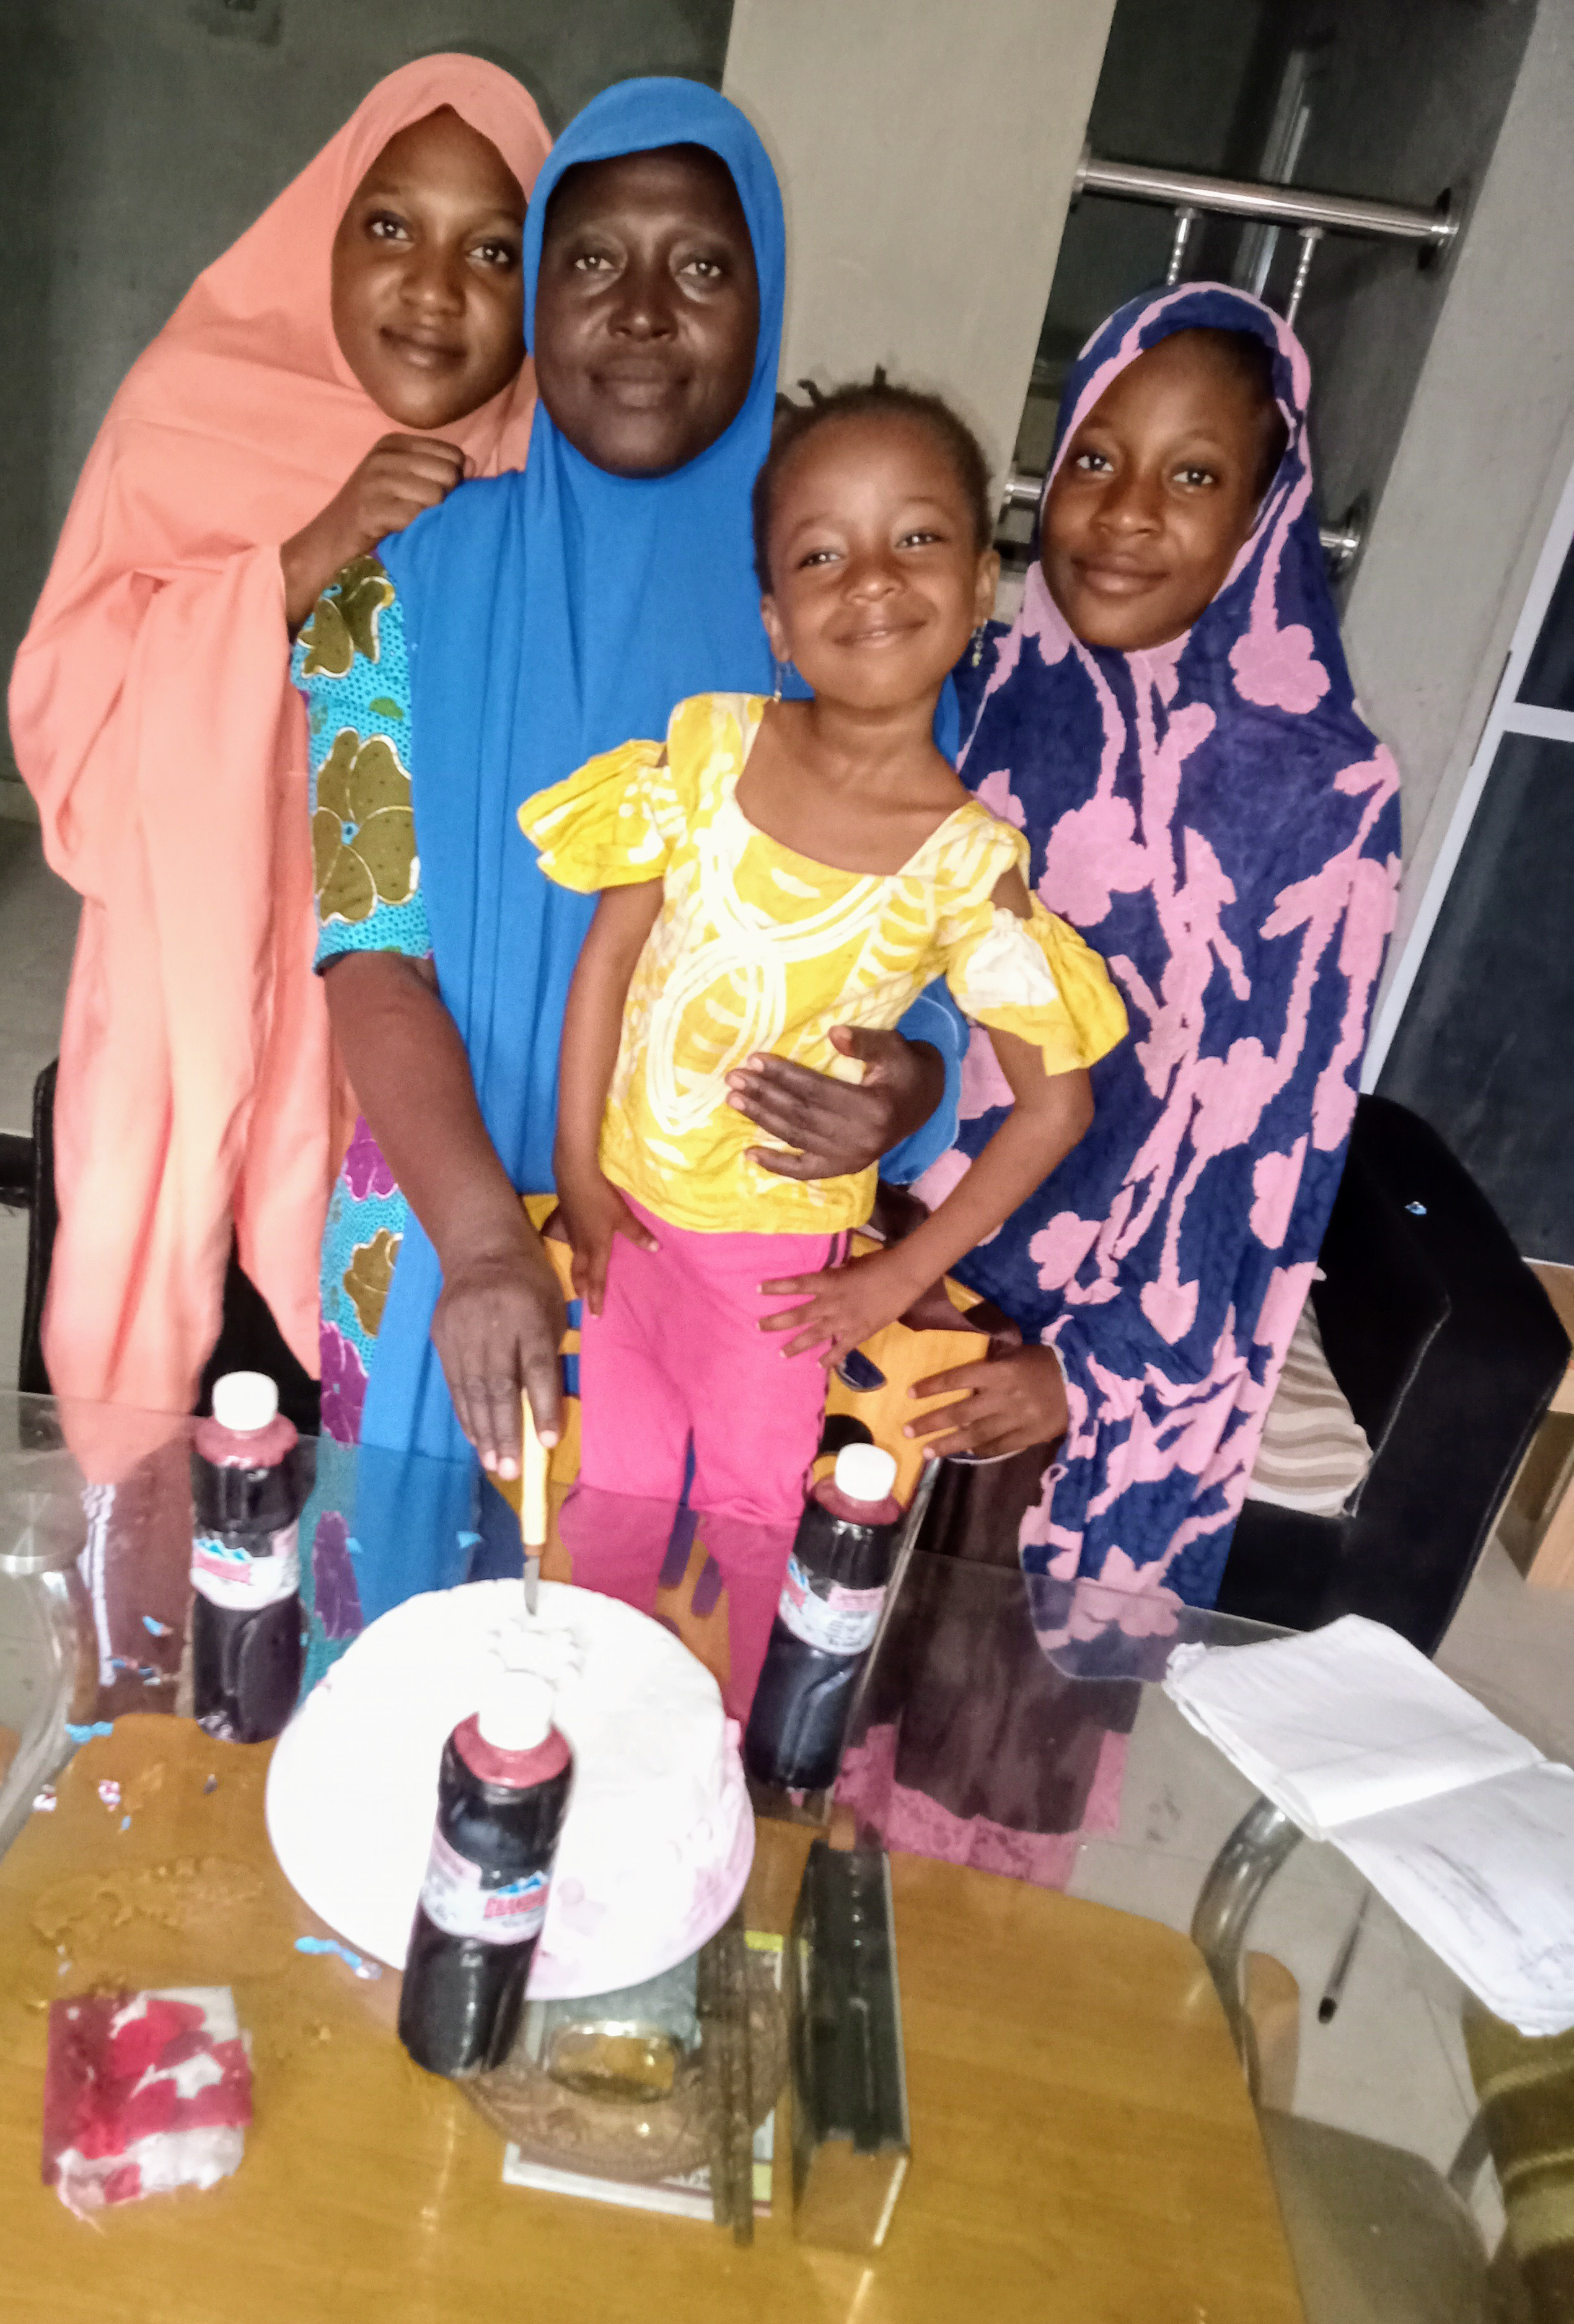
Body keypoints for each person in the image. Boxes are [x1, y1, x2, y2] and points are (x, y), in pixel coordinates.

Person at [291, 80, 969, 1501]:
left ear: (764, 304)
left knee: (671, 1616)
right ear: (537, 300)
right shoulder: (389, 595)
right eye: (594, 259)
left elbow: (926, 977)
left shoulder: (854, 625)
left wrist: (905, 1085)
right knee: (406, 1605)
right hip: (440, 1235)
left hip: (732, 1270)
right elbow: (371, 955)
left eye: (703, 268)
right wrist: (486, 1240)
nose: (645, 313)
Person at [838, 285, 1401, 1880]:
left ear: (1267, 512)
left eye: (1192, 475)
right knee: (810, 1671)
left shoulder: (1321, 790)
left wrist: (1088, 1383)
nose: (1127, 512)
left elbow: (1268, 1160)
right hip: (900, 1276)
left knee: (971, 1774)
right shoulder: (987, 697)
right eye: (1096, 458)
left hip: (1085, 1357)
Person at [9, 59, 550, 1465]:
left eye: (493, 250)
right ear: (327, 231)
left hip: (408, 1033)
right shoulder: (188, 408)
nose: (432, 288)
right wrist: (308, 555)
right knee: (162, 1418)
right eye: (392, 227)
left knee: (349, 1421)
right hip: (186, 997)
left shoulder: (547, 469)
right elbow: (73, 731)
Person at [522, 380, 1126, 1524]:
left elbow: (1058, 1107)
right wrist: (581, 1175)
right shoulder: (706, 748)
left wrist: (896, 1277)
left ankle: (745, 1654)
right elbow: (607, 965)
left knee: (750, 1517)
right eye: (821, 555)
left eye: (917, 538)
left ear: (981, 587)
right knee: (616, 1493)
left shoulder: (967, 865)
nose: (873, 578)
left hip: (781, 1268)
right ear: (775, 621)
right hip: (624, 1219)